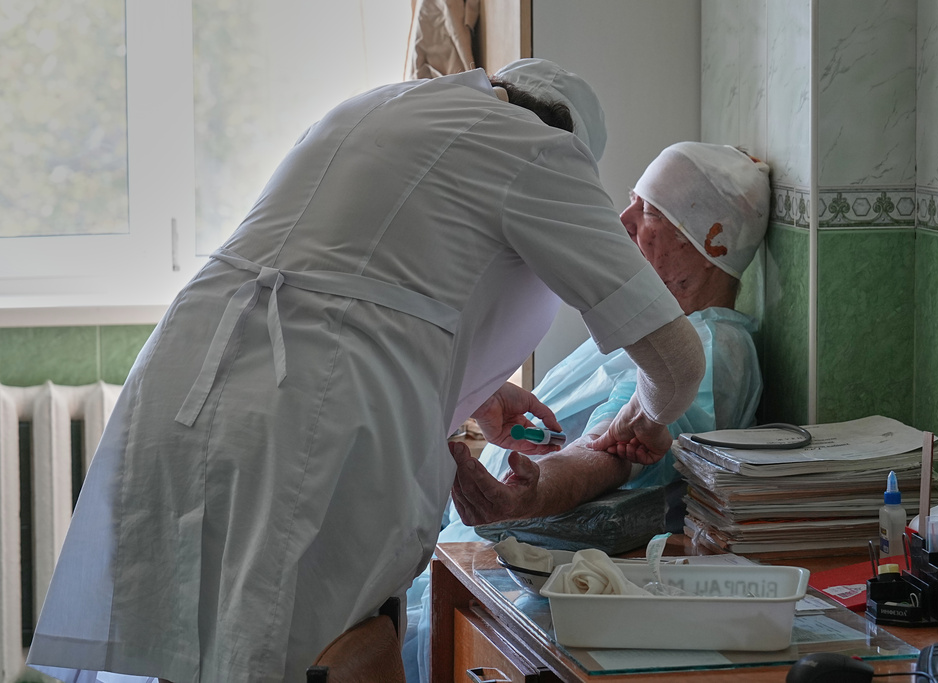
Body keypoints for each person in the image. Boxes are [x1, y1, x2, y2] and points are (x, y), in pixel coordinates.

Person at [25, 59, 706, 683]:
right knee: (296, 656)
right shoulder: (541, 153)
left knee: (173, 643)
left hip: (184, 381)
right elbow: (676, 361)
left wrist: (474, 392)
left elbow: (343, 279)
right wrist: (642, 420)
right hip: (310, 414)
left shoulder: (378, 108)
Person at [403, 142, 771, 681]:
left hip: (532, 579)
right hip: (469, 554)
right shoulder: (644, 333)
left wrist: (525, 494)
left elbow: (616, 452)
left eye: (646, 211)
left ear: (710, 239)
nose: (622, 222)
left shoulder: (709, 350)